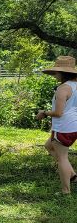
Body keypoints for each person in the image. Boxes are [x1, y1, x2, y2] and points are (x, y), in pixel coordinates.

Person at [35, 56, 77, 194]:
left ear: (63, 73)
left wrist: (44, 113)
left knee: (62, 158)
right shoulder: (75, 85)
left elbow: (58, 112)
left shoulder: (63, 89)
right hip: (73, 125)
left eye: (56, 72)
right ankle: (71, 175)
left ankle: (65, 191)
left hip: (64, 127)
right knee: (49, 146)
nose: (54, 75)